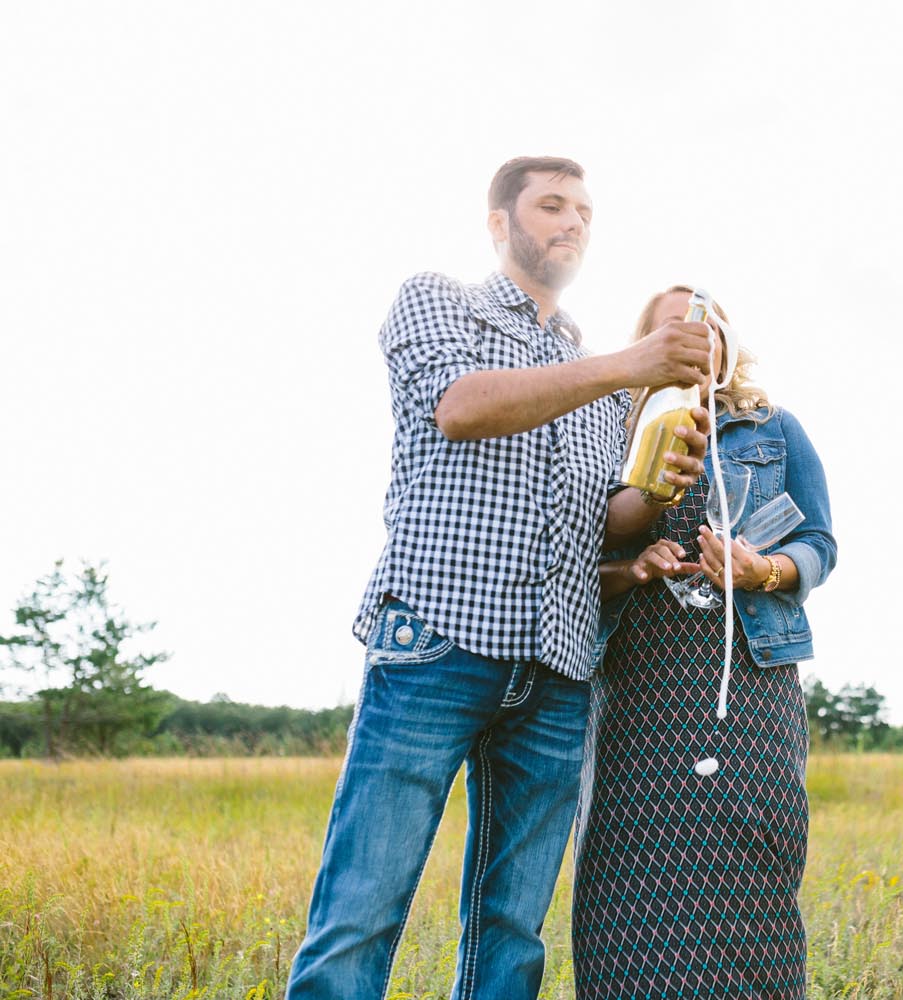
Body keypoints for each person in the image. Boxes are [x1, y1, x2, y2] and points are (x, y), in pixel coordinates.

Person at [286, 160, 716, 1000]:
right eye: (551, 205)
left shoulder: (595, 367)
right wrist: (633, 366)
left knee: (511, 928)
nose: (573, 222)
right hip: (439, 640)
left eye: (585, 211)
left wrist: (657, 485)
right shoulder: (443, 300)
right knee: (365, 906)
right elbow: (462, 407)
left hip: (556, 665)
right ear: (498, 223)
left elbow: (606, 515)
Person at [571, 286, 837, 999]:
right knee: (630, 866)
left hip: (747, 678)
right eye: (673, 325)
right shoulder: (608, 429)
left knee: (751, 848)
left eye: (707, 323)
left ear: (727, 344)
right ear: (645, 344)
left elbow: (819, 544)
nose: (693, 334)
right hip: (639, 681)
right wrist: (633, 568)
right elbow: (574, 556)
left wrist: (763, 570)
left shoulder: (773, 430)